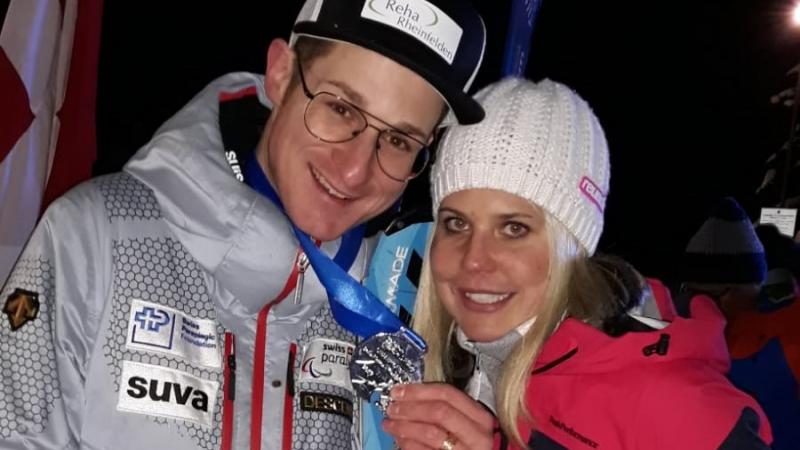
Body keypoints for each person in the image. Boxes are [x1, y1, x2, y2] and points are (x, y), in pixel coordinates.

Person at [0, 1, 486, 449]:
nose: (356, 169)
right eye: (340, 109)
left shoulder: (399, 307)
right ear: (280, 74)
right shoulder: (96, 236)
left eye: (399, 141)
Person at [380, 77, 773, 449]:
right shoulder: (442, 364)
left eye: (514, 228)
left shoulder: (671, 401)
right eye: (456, 223)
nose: (474, 260)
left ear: (571, 244)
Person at [680, 201, 800, 450]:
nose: (696, 306)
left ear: (730, 294)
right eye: (691, 293)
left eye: (704, 296)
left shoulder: (788, 337)